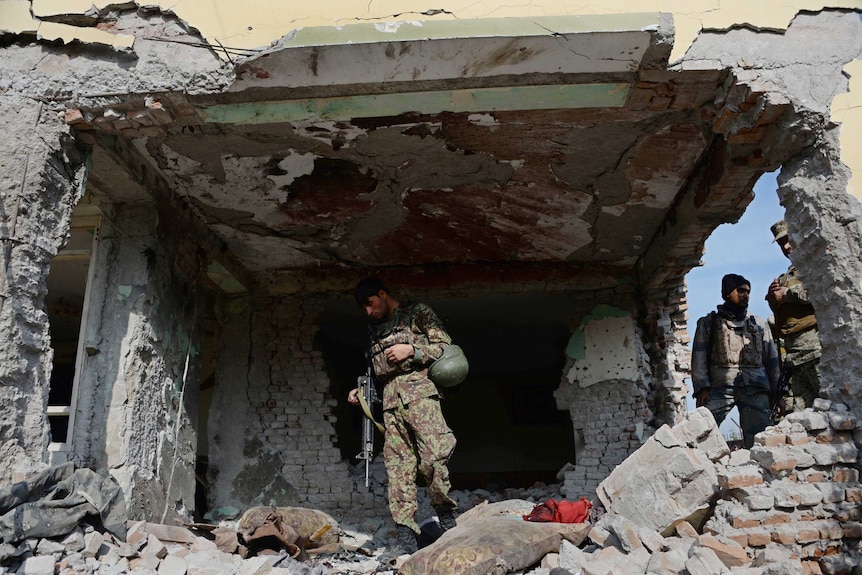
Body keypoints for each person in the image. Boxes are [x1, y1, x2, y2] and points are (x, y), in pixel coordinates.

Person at [347, 277, 458, 559]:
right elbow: (374, 372)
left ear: (383, 294)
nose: (368, 312)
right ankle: (406, 537)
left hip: (421, 396)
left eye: (370, 304)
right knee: (398, 470)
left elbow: (446, 347)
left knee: (434, 456)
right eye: (364, 308)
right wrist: (360, 392)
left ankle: (446, 519)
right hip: (390, 404)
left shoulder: (416, 313)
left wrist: (414, 351)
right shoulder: (375, 331)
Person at [691, 274, 781, 448]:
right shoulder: (708, 324)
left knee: (761, 440)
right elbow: (699, 357)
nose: (745, 295)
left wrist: (778, 393)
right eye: (740, 291)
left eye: (748, 292)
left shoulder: (759, 324)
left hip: (756, 388)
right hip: (720, 387)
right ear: (726, 293)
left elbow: (772, 360)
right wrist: (702, 387)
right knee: (700, 432)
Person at [766, 219, 821, 410]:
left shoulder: (814, 264)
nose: (787, 247)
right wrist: (773, 298)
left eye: (788, 240)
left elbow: (817, 291)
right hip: (794, 356)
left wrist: (786, 294)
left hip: (815, 349)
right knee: (807, 413)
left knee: (833, 402)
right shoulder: (786, 276)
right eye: (782, 244)